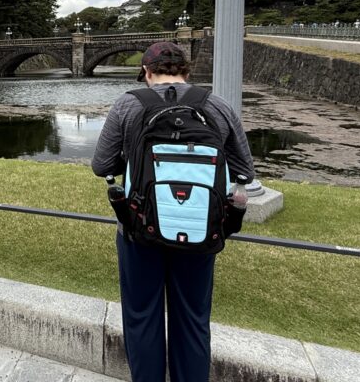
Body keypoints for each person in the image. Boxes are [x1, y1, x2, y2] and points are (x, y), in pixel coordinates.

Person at [91, 42, 255, 382]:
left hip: (139, 228)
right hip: (200, 230)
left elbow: (101, 164)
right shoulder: (216, 105)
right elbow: (245, 170)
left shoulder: (128, 104)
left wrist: (133, 156)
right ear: (186, 71)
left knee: (142, 316)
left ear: (147, 72)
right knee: (193, 319)